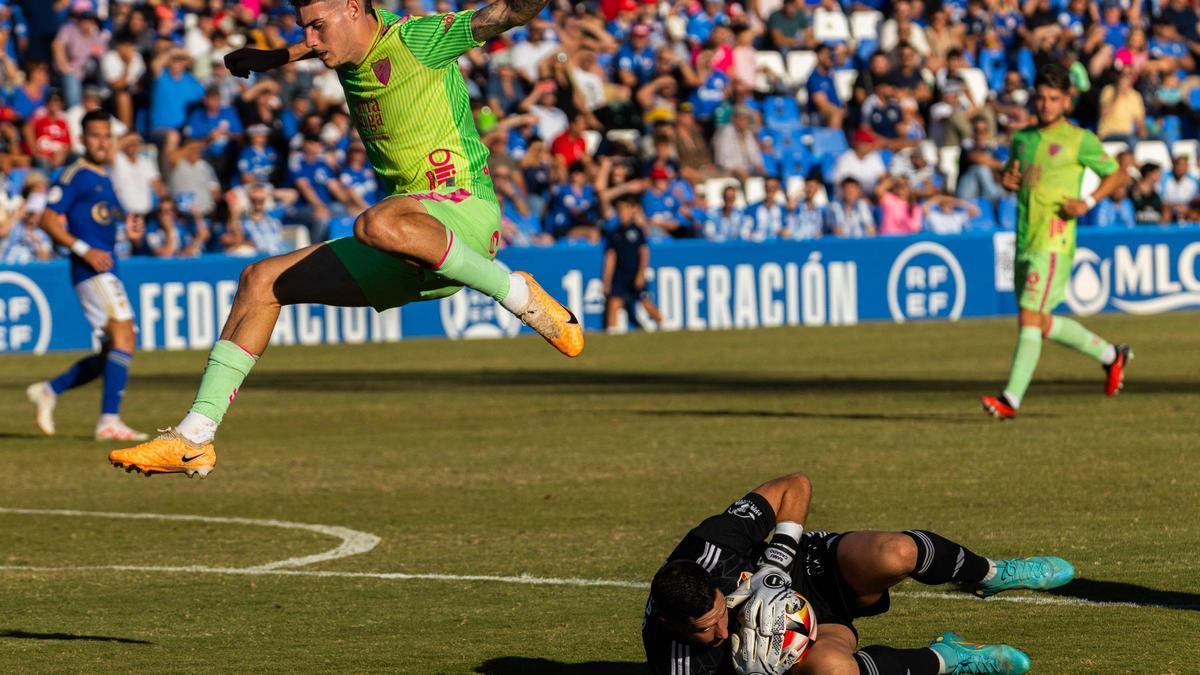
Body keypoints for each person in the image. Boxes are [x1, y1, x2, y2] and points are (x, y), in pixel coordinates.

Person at [107, 0, 584, 479]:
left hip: (464, 214)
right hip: (408, 242)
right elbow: (317, 45)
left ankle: (520, 296)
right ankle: (194, 437)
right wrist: (275, 57)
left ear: (354, 9)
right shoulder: (343, 47)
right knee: (261, 281)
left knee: (374, 223)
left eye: (317, 26)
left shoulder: (419, 40)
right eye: (304, 29)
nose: (311, 39)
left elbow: (505, 13)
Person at [643, 473, 1073, 675]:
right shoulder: (679, 663)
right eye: (704, 629)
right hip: (801, 632)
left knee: (897, 553)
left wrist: (775, 561)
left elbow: (795, 485)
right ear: (669, 623)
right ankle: (953, 658)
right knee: (836, 671)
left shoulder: (712, 545)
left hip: (804, 570)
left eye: (718, 614)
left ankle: (990, 573)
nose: (719, 631)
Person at [982, 64, 1132, 420]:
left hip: (1054, 240)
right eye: (1041, 97)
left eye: (1054, 98)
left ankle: (1010, 400)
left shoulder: (1080, 139)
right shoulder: (1023, 138)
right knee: (1042, 322)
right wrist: (1007, 178)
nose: (1046, 104)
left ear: (1066, 101)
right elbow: (1013, 174)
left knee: (1029, 316)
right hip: (1024, 240)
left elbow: (1117, 173)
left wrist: (1088, 202)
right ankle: (1112, 355)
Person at [26, 110, 148, 442]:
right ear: (82, 139)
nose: (102, 142)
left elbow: (101, 227)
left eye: (106, 135)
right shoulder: (75, 175)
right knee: (125, 335)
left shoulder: (105, 178)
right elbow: (48, 220)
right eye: (95, 135)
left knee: (114, 348)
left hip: (108, 267)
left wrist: (128, 232)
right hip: (91, 269)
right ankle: (109, 422)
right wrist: (84, 250)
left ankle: (51, 389)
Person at [602, 195, 662, 333]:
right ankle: (611, 332)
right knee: (614, 302)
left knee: (646, 303)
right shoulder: (614, 233)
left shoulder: (637, 230)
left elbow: (644, 252)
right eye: (619, 210)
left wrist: (641, 273)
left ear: (631, 211)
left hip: (635, 272)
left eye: (624, 210)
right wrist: (606, 280)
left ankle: (663, 324)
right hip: (619, 274)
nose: (622, 213)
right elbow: (610, 257)